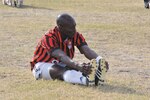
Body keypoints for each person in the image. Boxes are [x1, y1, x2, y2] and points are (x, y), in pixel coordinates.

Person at [30, 13, 109, 86]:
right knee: (62, 70)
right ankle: (86, 80)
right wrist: (77, 65)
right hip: (41, 65)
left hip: (62, 63)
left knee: (82, 67)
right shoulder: (49, 37)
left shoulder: (74, 34)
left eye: (74, 26)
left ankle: (95, 77)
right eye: (70, 28)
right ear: (60, 27)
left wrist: (99, 59)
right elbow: (61, 56)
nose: (74, 30)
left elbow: (86, 50)